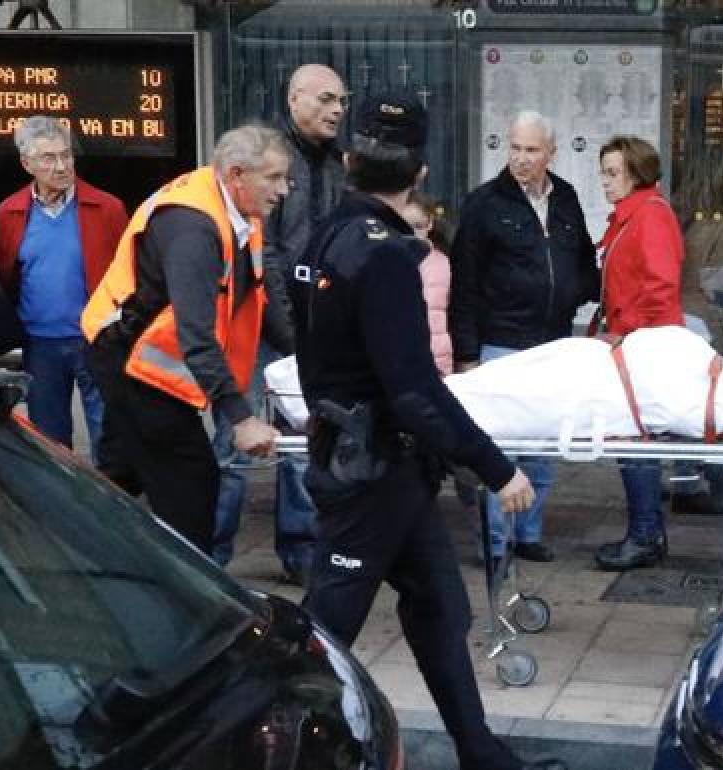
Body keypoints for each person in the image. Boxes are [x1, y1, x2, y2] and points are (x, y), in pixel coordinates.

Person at [289, 90, 563, 770]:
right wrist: (499, 470)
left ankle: (481, 754)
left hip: (380, 466)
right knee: (321, 639)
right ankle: (278, 748)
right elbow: (414, 391)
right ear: (420, 173)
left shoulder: (319, 238)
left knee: (441, 608)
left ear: (350, 159)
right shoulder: (383, 255)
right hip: (372, 470)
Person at [81, 125, 288, 553]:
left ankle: (87, 557)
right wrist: (241, 417)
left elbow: (258, 297)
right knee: (192, 486)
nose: (283, 190)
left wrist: (302, 355)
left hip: (140, 358)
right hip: (131, 363)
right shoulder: (193, 229)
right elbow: (197, 333)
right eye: (273, 178)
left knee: (123, 473)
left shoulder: (238, 212)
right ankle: (187, 596)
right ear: (236, 175)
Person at [212, 63, 348, 582]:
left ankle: (300, 554)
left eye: (342, 99)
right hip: (257, 330)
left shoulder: (337, 164)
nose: (337, 109)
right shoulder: (265, 159)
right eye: (326, 99)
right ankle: (210, 557)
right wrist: (290, 335)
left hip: (312, 331)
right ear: (294, 99)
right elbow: (262, 255)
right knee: (235, 444)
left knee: (302, 444)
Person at [450, 110, 598, 564]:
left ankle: (528, 534)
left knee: (542, 449)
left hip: (553, 346)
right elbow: (465, 284)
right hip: (500, 344)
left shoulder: (567, 197)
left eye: (531, 150)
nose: (521, 158)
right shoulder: (483, 204)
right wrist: (468, 354)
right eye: (514, 147)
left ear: (551, 153)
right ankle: (496, 544)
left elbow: (583, 263)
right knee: (501, 450)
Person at [0, 115, 127, 461]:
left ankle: (108, 511)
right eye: (48, 158)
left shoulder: (108, 208)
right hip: (40, 345)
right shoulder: (10, 212)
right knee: (50, 444)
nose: (61, 166)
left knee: (110, 440)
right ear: (27, 164)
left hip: (96, 340)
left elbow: (128, 275)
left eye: (66, 155)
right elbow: (8, 276)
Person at [591, 136, 684, 571]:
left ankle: (645, 534)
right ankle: (647, 531)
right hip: (637, 342)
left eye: (613, 173)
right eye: (604, 172)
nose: (605, 182)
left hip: (644, 345)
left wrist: (627, 336)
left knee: (636, 441)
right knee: (634, 440)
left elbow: (660, 286)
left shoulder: (648, 216)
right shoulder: (636, 215)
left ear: (636, 172)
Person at [668, 145, 723, 515]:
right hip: (706, 321)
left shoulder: (680, 217)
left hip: (675, 317)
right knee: (700, 407)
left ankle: (679, 479)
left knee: (677, 404)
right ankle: (688, 483)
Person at [402, 192, 454, 376]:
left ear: (430, 223)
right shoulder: (380, 260)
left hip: (438, 363)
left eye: (418, 226)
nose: (412, 235)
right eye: (404, 227)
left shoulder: (445, 263)